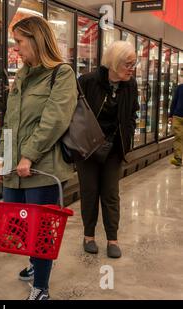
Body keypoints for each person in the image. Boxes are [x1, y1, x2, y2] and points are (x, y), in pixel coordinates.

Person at [0, 16, 77, 300]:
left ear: (36, 39)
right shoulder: (22, 73)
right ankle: (35, 264)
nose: (15, 48)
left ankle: (41, 287)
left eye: (19, 41)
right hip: (16, 168)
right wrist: (2, 157)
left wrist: (28, 155)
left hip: (43, 168)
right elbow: (10, 119)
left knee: (40, 229)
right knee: (18, 227)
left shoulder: (62, 74)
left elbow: (54, 120)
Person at [76, 41, 139, 259]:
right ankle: (89, 236)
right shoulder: (88, 81)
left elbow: (133, 113)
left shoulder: (130, 85)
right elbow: (74, 113)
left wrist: (127, 136)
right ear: (114, 63)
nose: (132, 68)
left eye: (134, 64)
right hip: (88, 149)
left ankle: (113, 238)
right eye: (128, 64)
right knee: (89, 192)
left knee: (111, 194)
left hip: (114, 148)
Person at [169, 80, 183, 167]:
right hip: (177, 116)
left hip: (177, 115)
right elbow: (174, 101)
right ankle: (178, 159)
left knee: (179, 138)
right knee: (178, 137)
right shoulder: (180, 87)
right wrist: (171, 115)